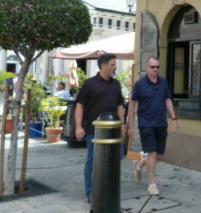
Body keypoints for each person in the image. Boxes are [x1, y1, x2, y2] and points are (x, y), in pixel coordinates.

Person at [75, 53, 125, 203]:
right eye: (112, 65)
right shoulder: (90, 84)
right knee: (93, 160)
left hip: (113, 129)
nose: (115, 67)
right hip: (93, 130)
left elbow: (120, 105)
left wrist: (122, 124)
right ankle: (90, 192)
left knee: (118, 155)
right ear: (103, 66)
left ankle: (105, 184)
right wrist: (78, 127)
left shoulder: (116, 84)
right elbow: (79, 105)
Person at [128, 57, 177, 195]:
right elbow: (132, 105)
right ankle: (152, 183)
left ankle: (139, 164)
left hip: (161, 123)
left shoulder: (163, 82)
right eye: (152, 67)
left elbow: (168, 100)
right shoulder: (140, 84)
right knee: (152, 152)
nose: (155, 70)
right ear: (147, 67)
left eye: (157, 67)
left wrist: (174, 118)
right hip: (146, 123)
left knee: (159, 154)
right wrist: (131, 126)